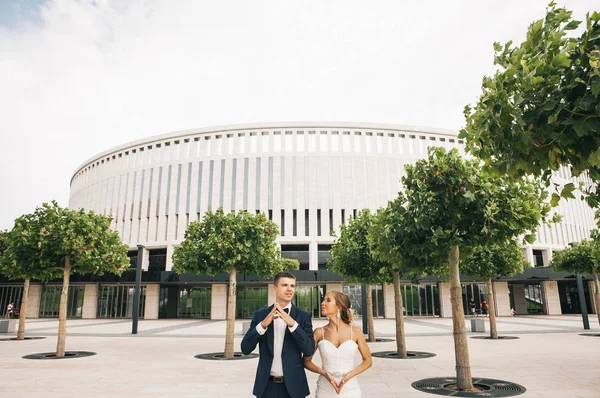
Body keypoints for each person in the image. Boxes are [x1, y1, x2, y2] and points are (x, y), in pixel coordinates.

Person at [241, 272, 315, 398]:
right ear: (274, 288)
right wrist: (263, 325)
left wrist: (293, 325)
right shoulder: (260, 315)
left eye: (292, 286)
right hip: (266, 387)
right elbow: (245, 349)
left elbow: (309, 350)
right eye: (285, 285)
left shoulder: (303, 316)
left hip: (295, 387)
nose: (289, 289)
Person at [304, 291, 372, 397]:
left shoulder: (355, 331)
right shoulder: (319, 332)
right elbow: (306, 361)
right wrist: (324, 373)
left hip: (350, 388)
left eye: (328, 300)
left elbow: (368, 361)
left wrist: (350, 375)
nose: (323, 303)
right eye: (323, 300)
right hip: (325, 389)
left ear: (339, 307)